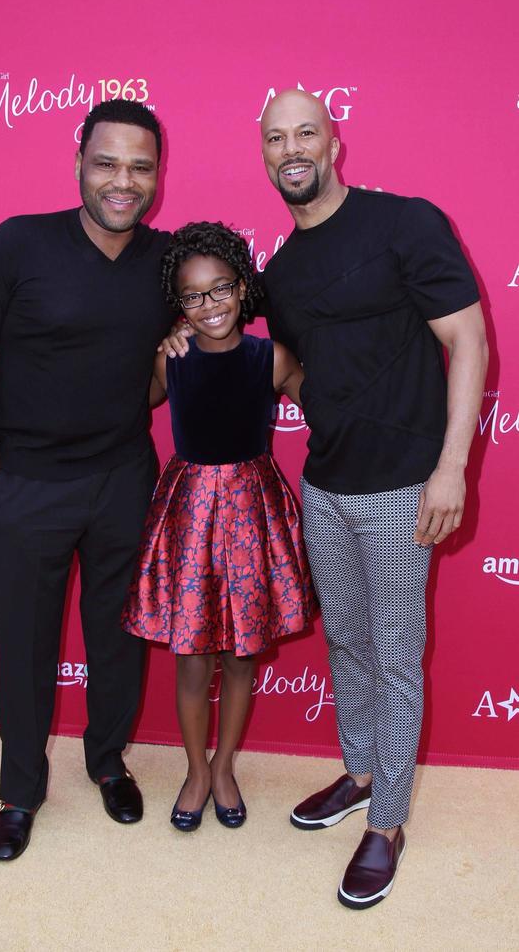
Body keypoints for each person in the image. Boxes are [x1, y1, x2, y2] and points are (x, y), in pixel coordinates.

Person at [258, 89, 489, 908]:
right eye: (276, 136)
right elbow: (287, 367)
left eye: (306, 132)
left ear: (334, 141)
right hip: (324, 485)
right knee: (349, 647)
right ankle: (360, 775)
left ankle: (386, 824)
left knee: (394, 660)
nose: (292, 148)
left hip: (403, 487)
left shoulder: (405, 223)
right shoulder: (278, 273)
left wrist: (453, 465)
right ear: (266, 152)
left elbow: (468, 338)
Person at [0, 100, 178, 861]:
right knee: (24, 644)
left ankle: (107, 761)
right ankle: (20, 791)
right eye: (108, 163)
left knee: (118, 638)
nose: (124, 181)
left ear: (157, 175)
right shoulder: (18, 244)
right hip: (29, 487)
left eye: (140, 167)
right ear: (79, 161)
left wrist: (172, 361)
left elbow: (147, 387)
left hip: (123, 478)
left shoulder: (166, 262)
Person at [122, 222, 317, 831]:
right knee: (191, 659)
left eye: (221, 289)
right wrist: (165, 339)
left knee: (241, 656)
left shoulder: (273, 358)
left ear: (242, 285)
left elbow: (334, 410)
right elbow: (136, 399)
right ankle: (196, 770)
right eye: (193, 296)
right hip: (189, 515)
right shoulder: (169, 360)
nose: (210, 306)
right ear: (177, 305)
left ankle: (226, 764)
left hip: (254, 511)